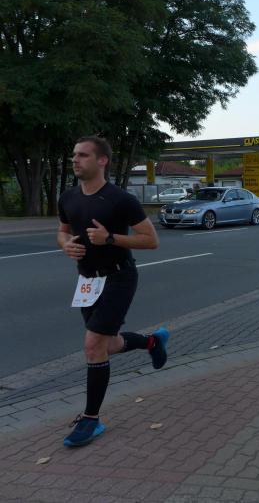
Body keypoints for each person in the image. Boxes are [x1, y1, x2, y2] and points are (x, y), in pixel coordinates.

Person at [57, 136, 166, 448]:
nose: (75, 160)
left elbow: (151, 240)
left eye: (83, 155)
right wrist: (66, 246)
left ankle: (91, 419)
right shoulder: (68, 197)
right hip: (87, 282)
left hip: (119, 278)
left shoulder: (120, 199)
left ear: (102, 160)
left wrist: (110, 239)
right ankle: (151, 341)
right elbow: (62, 231)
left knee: (93, 345)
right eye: (74, 155)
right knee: (108, 345)